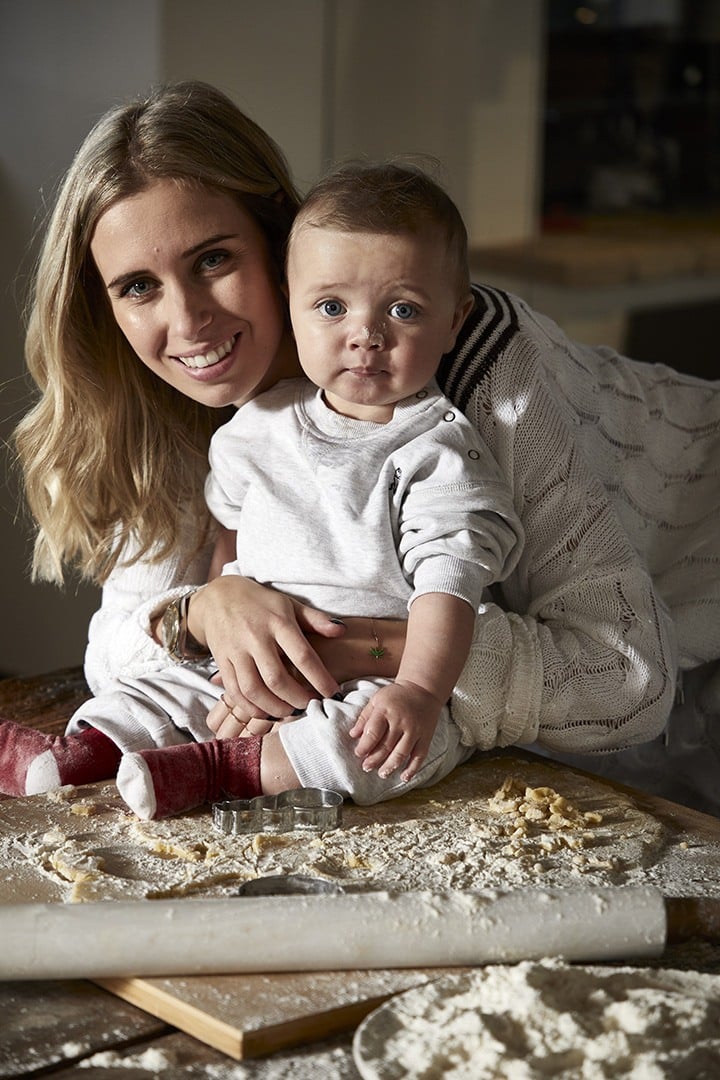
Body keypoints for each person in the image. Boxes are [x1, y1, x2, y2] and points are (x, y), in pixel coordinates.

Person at [4, 80, 720, 818]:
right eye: (137, 288)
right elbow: (117, 648)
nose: (186, 322)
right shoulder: (169, 405)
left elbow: (625, 682)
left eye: (213, 260)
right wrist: (202, 614)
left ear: (280, 244)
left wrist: (366, 650)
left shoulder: (469, 362)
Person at [113, 161, 524, 819]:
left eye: (404, 309)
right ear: (293, 297)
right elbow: (232, 540)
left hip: (373, 679)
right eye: (332, 307)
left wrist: (417, 689)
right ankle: (83, 752)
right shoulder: (265, 422)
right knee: (156, 689)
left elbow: (449, 585)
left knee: (370, 746)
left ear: (455, 319)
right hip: (264, 661)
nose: (366, 335)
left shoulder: (438, 451)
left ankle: (220, 772)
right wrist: (222, 616)